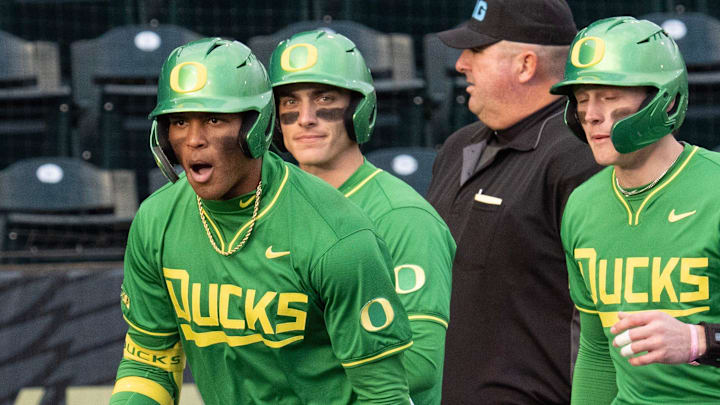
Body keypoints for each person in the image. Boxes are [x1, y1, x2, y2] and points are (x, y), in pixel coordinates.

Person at [109, 37, 415, 405]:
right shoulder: (156, 221)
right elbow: (149, 363)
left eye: (214, 119)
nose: (193, 140)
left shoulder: (338, 237)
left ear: (255, 127)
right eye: (177, 121)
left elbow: (383, 394)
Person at [425, 0, 602, 403]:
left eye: (477, 50)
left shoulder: (581, 155)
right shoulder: (458, 146)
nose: (460, 64)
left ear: (525, 65)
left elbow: (601, 322)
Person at [268, 30, 456, 405]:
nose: (305, 118)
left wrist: (277, 381)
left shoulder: (403, 217)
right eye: (290, 101)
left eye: (324, 98)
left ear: (359, 111)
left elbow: (418, 365)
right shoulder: (269, 207)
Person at [551, 16, 720, 404]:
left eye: (608, 98)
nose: (591, 114)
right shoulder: (582, 204)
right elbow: (597, 352)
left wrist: (701, 339)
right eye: (581, 100)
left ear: (667, 98)